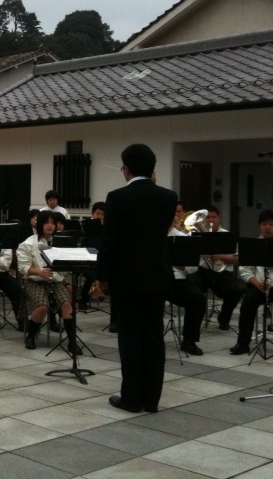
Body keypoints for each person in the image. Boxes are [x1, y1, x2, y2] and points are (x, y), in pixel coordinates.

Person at [97, 143, 177, 414]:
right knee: (153, 336)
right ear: (153, 170)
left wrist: (101, 276)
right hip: (157, 276)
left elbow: (109, 241)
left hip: (127, 277)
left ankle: (131, 398)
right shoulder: (168, 197)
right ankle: (152, 399)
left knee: (130, 337)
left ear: (126, 170)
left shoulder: (117, 197)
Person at [17, 210, 80, 353]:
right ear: (40, 224)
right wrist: (39, 271)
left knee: (66, 304)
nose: (50, 226)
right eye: (47, 223)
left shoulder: (60, 242)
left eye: (53, 223)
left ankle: (71, 341)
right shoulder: (28, 243)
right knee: (42, 306)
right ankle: (31, 336)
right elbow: (22, 267)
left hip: (56, 280)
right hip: (35, 281)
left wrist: (66, 279)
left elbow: (66, 267)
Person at [229, 209, 273, 355]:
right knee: (248, 301)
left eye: (271, 224)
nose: (267, 227)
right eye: (264, 224)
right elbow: (245, 270)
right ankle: (243, 343)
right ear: (259, 226)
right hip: (259, 286)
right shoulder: (254, 244)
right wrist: (255, 282)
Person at [185, 206, 245, 330]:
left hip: (222, 273)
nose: (210, 220)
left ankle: (224, 317)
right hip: (202, 271)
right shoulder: (196, 234)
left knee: (237, 289)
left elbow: (237, 259)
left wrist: (222, 257)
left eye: (214, 217)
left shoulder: (227, 236)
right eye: (208, 218)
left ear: (219, 218)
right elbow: (188, 254)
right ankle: (193, 324)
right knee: (191, 289)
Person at [167, 218, 207, 356]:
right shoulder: (150, 237)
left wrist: (183, 266)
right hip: (154, 279)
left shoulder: (183, 238)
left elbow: (193, 266)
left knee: (198, 298)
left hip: (177, 280)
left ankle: (189, 341)